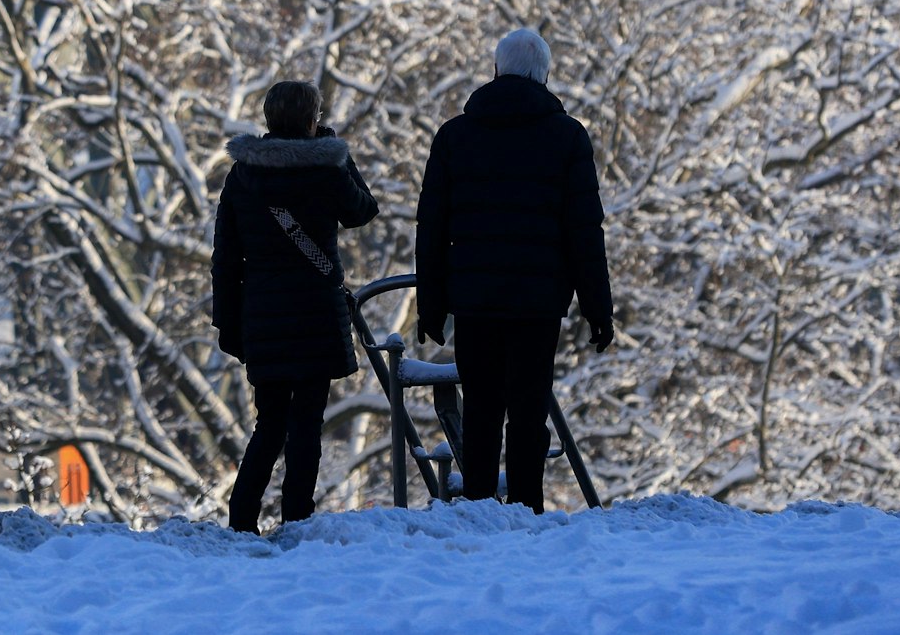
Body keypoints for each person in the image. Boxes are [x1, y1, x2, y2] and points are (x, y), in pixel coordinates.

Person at [414, 28, 613, 514]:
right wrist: (597, 308)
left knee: (480, 407)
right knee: (528, 410)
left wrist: (432, 304)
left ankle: (479, 508)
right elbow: (584, 230)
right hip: (537, 302)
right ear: (544, 76)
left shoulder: (455, 136)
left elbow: (432, 227)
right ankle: (528, 509)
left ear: (496, 70)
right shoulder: (567, 137)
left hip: (475, 299)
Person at [212, 80, 378, 533]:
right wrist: (338, 152)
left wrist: (229, 326)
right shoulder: (326, 171)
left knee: (269, 425)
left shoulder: (243, 176)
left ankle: (242, 517)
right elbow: (363, 210)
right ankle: (297, 520)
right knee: (307, 425)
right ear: (311, 120)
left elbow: (225, 258)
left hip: (263, 318)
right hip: (316, 314)